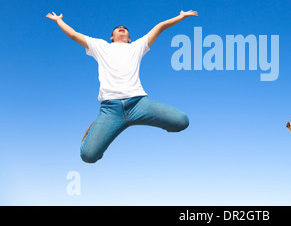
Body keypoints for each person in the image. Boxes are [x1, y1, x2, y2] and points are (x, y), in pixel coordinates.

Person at [46, 10, 198, 163]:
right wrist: (59, 20)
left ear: (129, 38)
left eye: (125, 28)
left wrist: (181, 16)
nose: (121, 28)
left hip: (138, 103)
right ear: (111, 37)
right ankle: (96, 128)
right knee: (88, 156)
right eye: (117, 28)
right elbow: (73, 34)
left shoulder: (137, 47)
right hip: (111, 110)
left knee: (182, 121)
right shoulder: (100, 46)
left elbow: (160, 27)